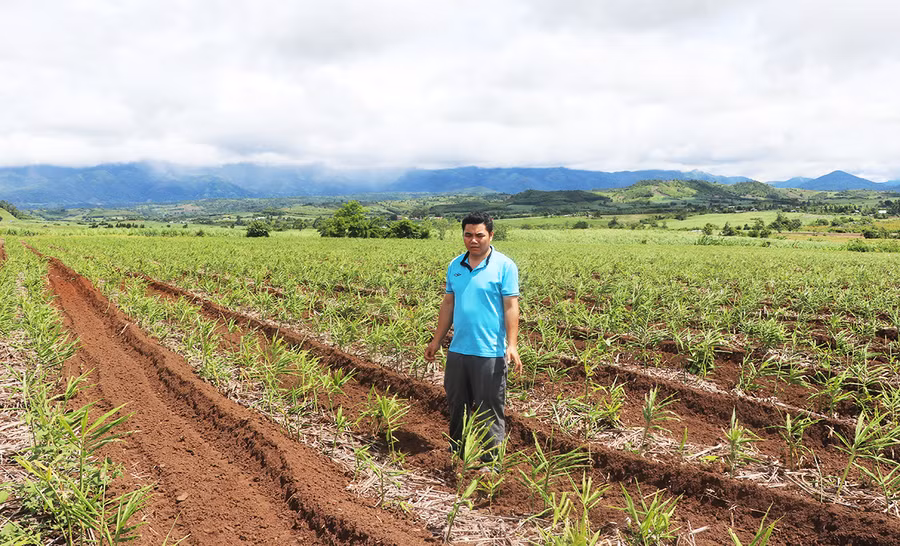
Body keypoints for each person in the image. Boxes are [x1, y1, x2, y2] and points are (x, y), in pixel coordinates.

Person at [424, 212, 521, 459]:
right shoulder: (455, 265)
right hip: (458, 350)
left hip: (489, 352)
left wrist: (512, 345)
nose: (473, 240)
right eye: (468, 235)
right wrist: (436, 340)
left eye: (479, 235)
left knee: (489, 408)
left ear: (490, 235)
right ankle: (457, 452)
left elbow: (511, 307)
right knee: (457, 405)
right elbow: (448, 303)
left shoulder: (505, 266)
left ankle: (490, 461)